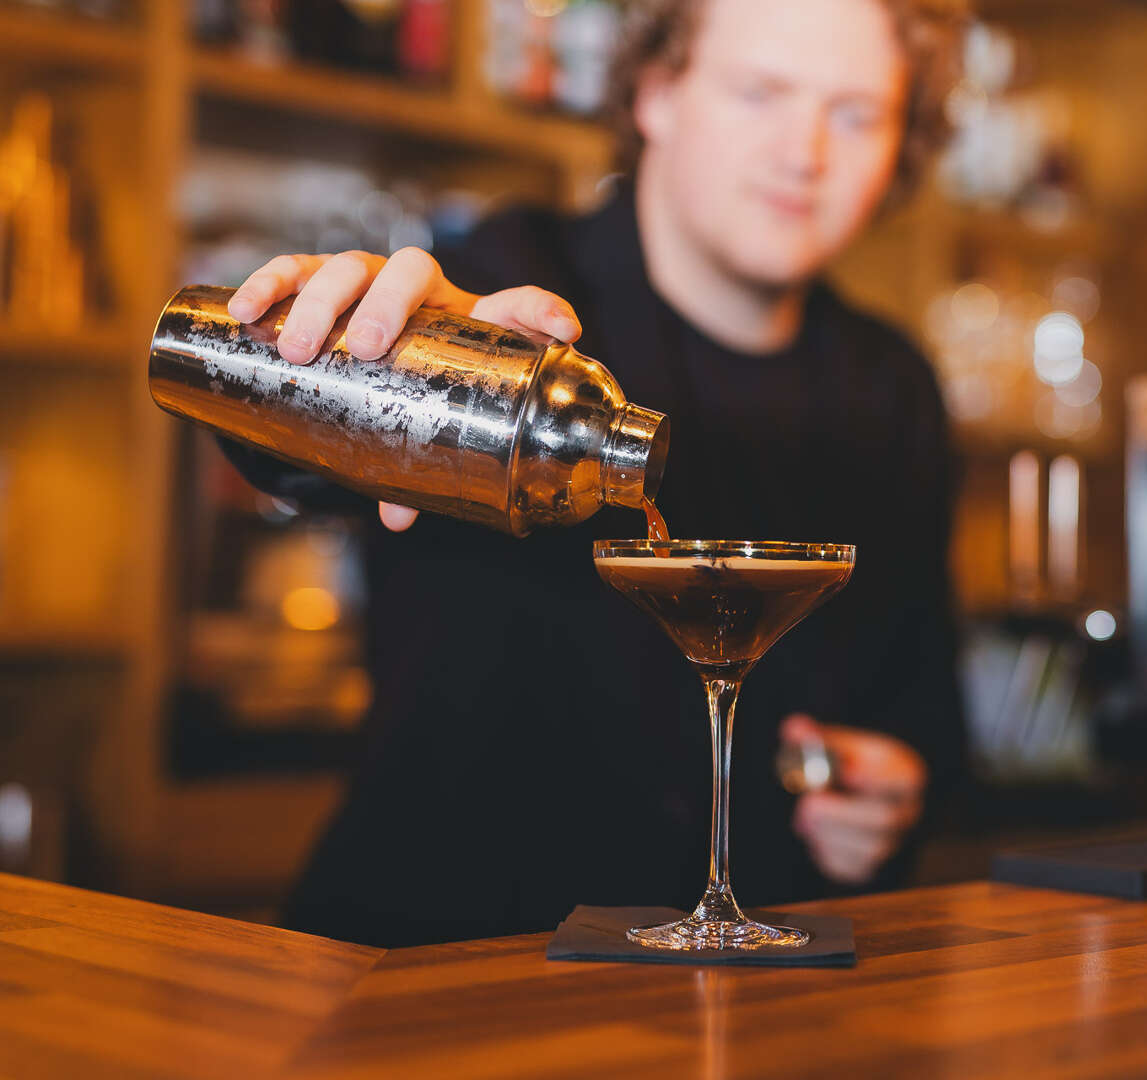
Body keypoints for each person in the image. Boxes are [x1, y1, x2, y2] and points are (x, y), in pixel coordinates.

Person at [223, 0, 964, 947]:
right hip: (436, 973)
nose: (805, 151)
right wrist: (360, 358)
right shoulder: (500, 297)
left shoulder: (892, 389)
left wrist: (887, 800)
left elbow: (925, 717)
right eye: (759, 92)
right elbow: (281, 449)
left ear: (904, 141)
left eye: (856, 112)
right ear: (655, 91)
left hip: (746, 1008)